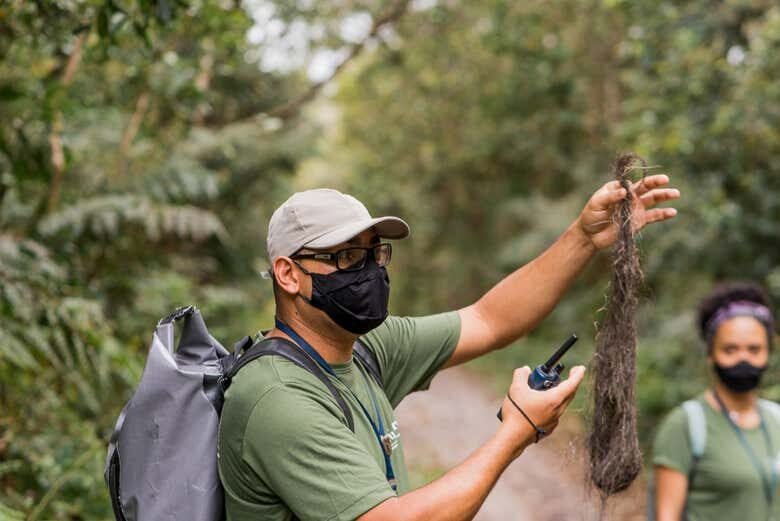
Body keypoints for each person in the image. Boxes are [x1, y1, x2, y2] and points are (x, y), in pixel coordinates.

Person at [219, 178, 679, 521]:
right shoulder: (278, 398)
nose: (368, 271)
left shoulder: (362, 347)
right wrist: (515, 433)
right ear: (288, 274)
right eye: (345, 257)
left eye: (373, 253)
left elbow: (489, 319)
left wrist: (582, 237)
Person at [653, 282, 780, 521]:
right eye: (730, 350)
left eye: (754, 350)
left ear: (768, 352)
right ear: (711, 354)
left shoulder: (776, 418)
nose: (744, 359)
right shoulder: (686, 425)